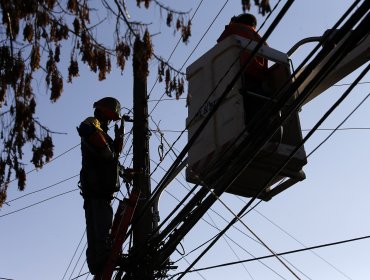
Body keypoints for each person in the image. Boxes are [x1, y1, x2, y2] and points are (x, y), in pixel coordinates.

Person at [77, 97, 124, 276]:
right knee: (101, 228)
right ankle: (102, 260)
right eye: (110, 117)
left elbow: (112, 157)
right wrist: (110, 152)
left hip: (96, 188)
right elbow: (87, 131)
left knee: (96, 228)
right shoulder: (92, 124)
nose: (111, 121)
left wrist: (118, 139)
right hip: (97, 187)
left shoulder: (105, 135)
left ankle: (98, 264)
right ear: (104, 113)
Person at [217, 13, 268, 93]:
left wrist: (231, 23)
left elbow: (220, 43)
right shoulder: (260, 39)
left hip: (241, 74)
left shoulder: (233, 28)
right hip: (258, 78)